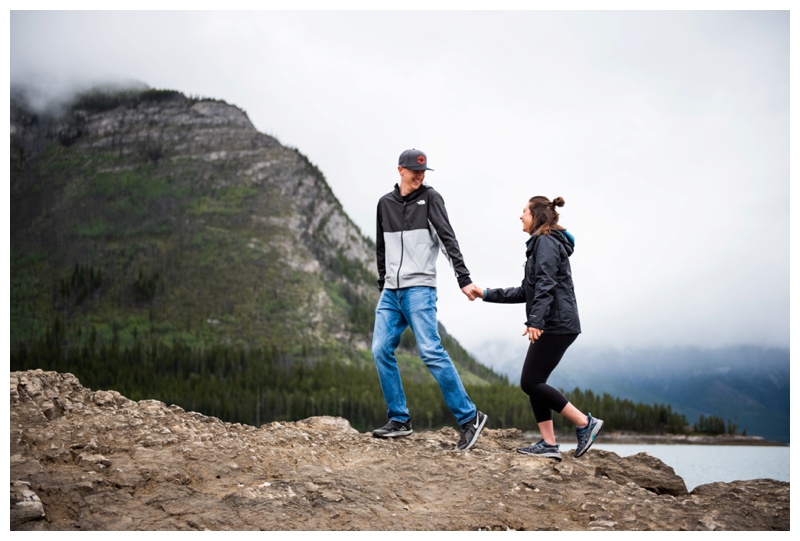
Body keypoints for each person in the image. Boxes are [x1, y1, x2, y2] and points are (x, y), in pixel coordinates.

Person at [467, 196, 602, 460]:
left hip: (556, 323)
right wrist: (484, 292)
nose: (520, 216)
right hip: (557, 322)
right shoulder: (542, 243)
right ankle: (549, 444)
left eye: (524, 211)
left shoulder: (545, 241)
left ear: (536, 215)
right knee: (534, 381)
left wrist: (536, 322)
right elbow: (525, 290)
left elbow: (546, 284)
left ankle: (585, 424)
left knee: (531, 381)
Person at [371, 148, 487, 451]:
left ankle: (469, 417)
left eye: (423, 171)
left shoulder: (431, 198)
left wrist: (464, 278)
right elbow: (381, 247)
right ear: (400, 170)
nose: (419, 176)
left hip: (420, 289)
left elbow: (448, 239)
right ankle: (399, 419)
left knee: (431, 352)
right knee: (380, 349)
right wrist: (383, 282)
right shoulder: (385, 204)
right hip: (391, 293)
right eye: (414, 171)